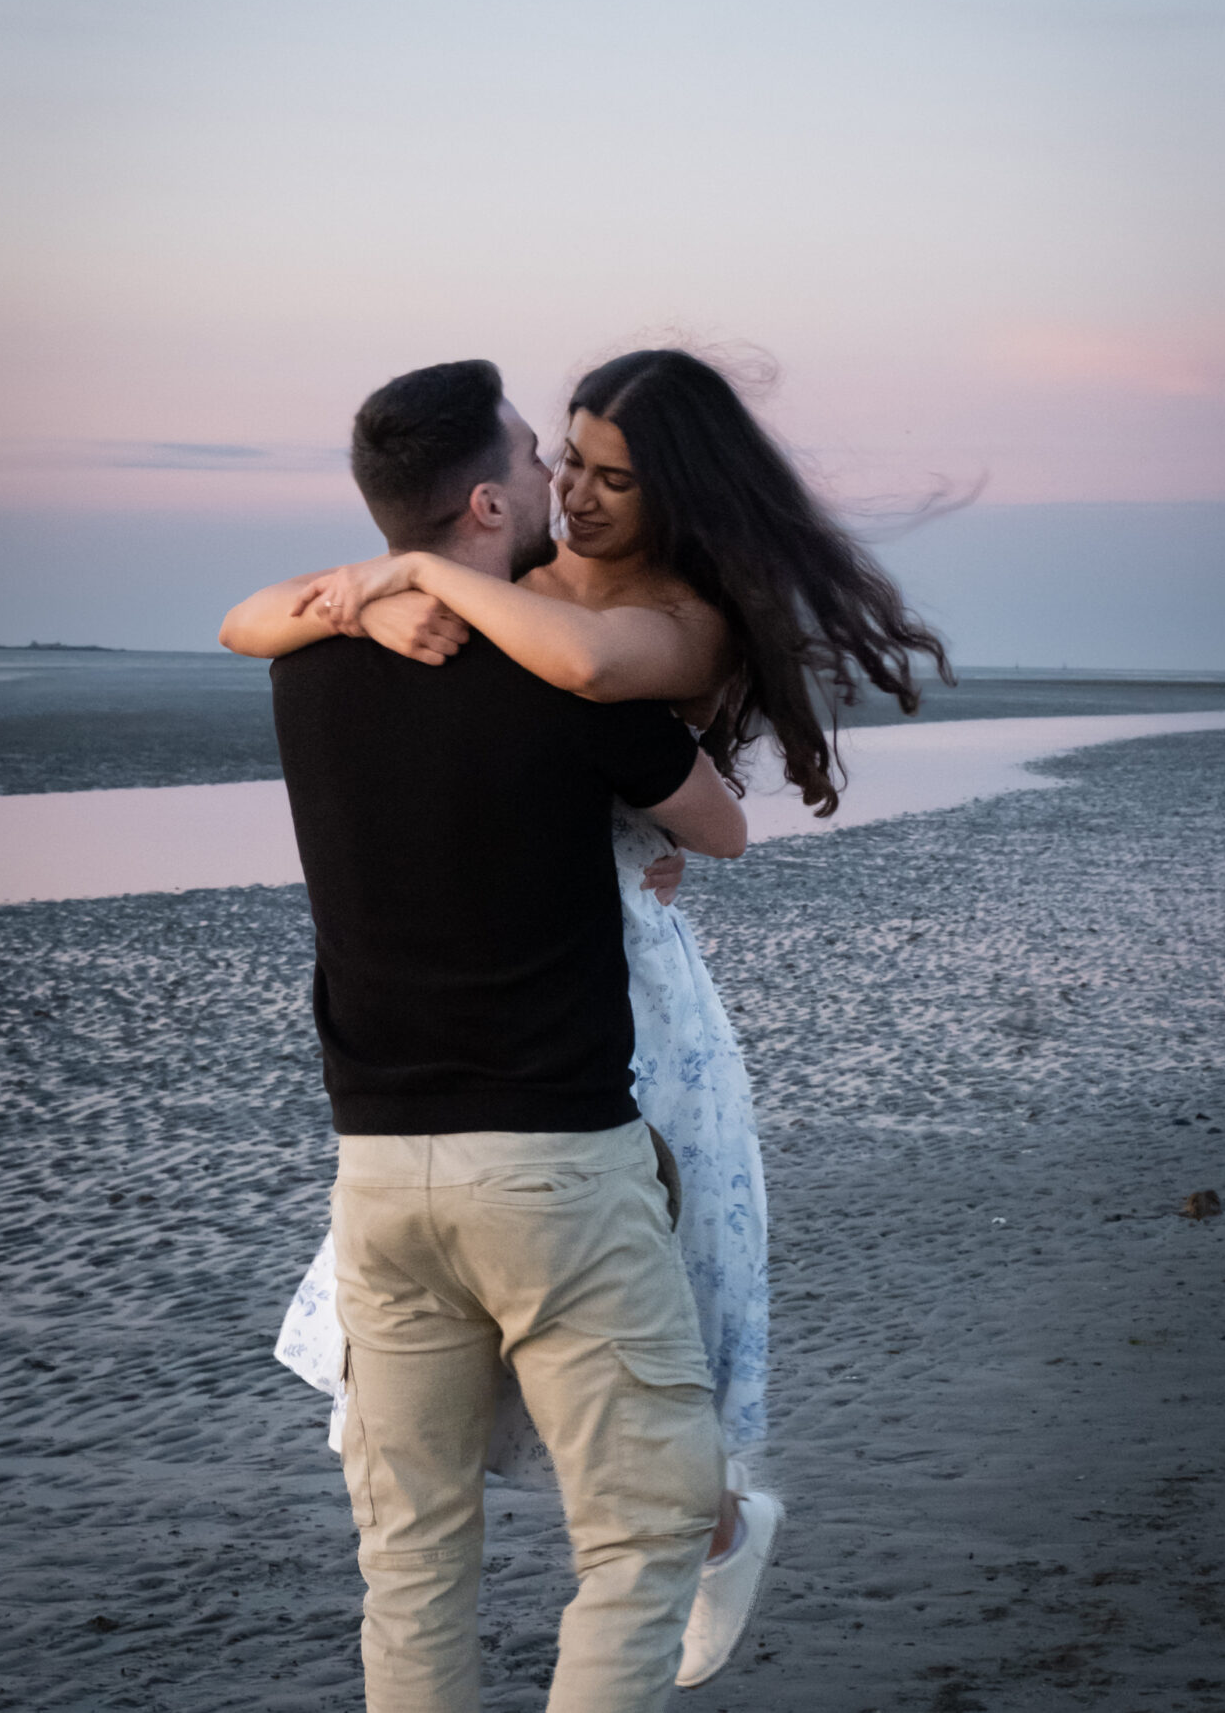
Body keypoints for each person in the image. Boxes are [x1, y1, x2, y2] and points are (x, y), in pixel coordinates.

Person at [224, 346, 950, 1688]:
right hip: (534, 1123)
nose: (574, 487)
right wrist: (389, 599)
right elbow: (692, 807)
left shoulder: (579, 637)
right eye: (557, 460)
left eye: (609, 474)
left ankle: (714, 1514)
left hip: (444, 1117)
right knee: (610, 1494)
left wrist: (402, 583)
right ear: (498, 495)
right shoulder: (537, 655)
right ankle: (709, 1514)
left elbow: (283, 626)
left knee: (433, 1538)